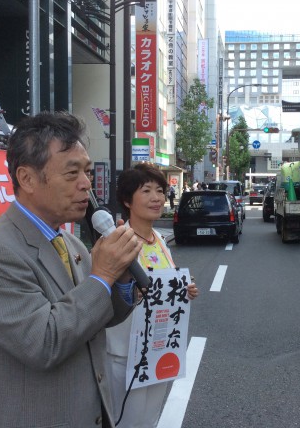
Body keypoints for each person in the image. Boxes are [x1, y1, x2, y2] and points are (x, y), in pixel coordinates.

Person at [0, 112, 142, 428]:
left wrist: (122, 277)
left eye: (86, 171)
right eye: (71, 173)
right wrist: (104, 275)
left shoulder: (70, 242)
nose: (86, 184)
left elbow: (96, 314)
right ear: (27, 178)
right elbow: (43, 342)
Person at [106, 163, 199, 428]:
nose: (156, 197)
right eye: (146, 191)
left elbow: (166, 281)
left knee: (150, 420)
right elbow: (103, 291)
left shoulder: (158, 238)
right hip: (125, 352)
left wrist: (184, 287)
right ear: (127, 200)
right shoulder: (117, 241)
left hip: (158, 348)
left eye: (159, 190)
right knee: (126, 421)